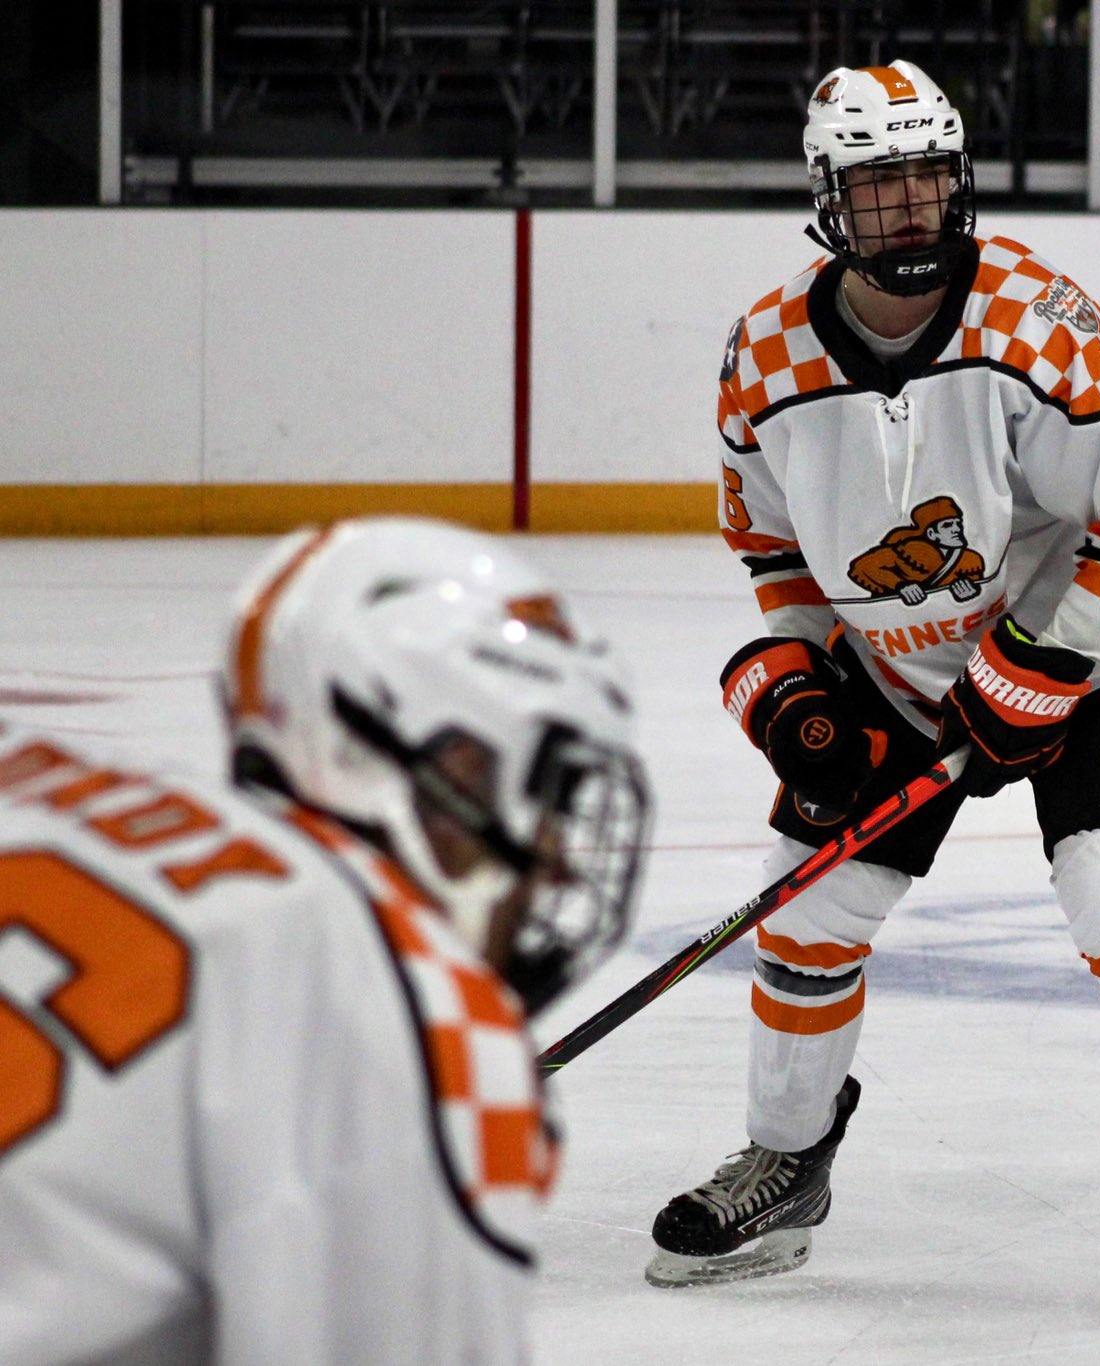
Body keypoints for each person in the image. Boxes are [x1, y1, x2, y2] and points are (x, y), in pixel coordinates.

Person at [649, 59, 1100, 1327]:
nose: (912, 206)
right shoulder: (763, 361)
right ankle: (786, 1160)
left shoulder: (1040, 324)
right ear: (827, 201)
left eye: (930, 174)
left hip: (1090, 654)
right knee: (809, 912)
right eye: (879, 186)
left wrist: (1034, 670)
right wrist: (793, 693)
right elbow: (774, 557)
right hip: (894, 668)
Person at [0, 517, 650, 1363]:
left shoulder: (37, 780)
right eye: (537, 782)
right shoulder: (410, 1012)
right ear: (428, 762)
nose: (558, 863)